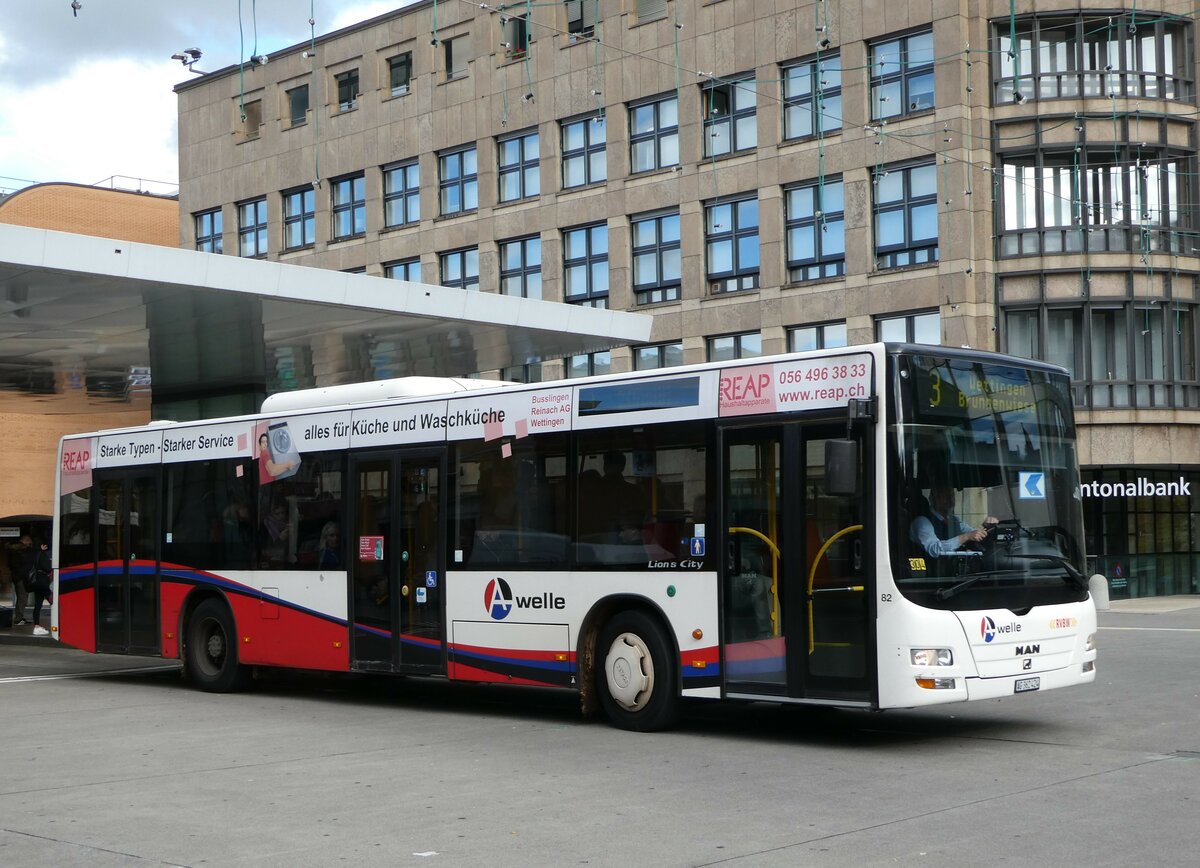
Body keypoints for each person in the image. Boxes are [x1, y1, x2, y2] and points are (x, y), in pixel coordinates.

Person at [910, 484, 998, 559]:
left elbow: (972, 534)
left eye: (952, 495)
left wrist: (986, 528)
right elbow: (934, 550)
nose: (951, 499)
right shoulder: (922, 522)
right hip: (931, 572)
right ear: (933, 498)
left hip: (956, 570)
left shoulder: (954, 520)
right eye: (945, 495)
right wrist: (965, 537)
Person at [9, 534, 34, 627]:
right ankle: (18, 618)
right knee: (22, 597)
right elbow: (16, 565)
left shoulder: (17, 550)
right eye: (29, 541)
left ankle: (19, 617)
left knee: (22, 597)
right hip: (20, 577)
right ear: (25, 541)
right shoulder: (19, 551)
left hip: (19, 577)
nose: (31, 543)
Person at [29, 538, 52, 636]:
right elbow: (48, 568)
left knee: (37, 605)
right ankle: (59, 623)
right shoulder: (42, 554)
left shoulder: (35, 553)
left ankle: (36, 626)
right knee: (53, 602)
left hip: (36, 582)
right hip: (43, 581)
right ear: (42, 545)